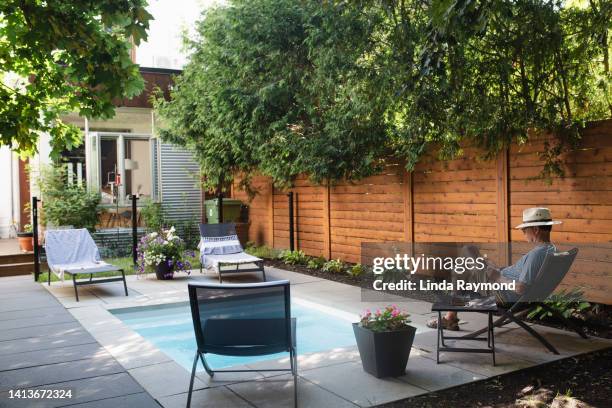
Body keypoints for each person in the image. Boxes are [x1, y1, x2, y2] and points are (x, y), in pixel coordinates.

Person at [426, 207, 562, 331]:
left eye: (524, 229)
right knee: (470, 256)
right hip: (502, 284)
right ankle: (451, 315)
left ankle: (449, 317)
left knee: (467, 252)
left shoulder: (537, 254)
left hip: (500, 293)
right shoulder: (551, 250)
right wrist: (496, 269)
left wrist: (497, 276)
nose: (523, 233)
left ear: (536, 230)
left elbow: (521, 287)